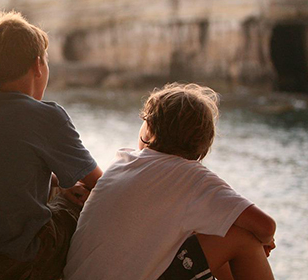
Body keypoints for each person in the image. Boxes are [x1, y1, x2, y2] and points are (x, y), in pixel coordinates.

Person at [0, 11, 103, 279]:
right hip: (12, 265)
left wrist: (59, 183)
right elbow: (101, 183)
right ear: (38, 65)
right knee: (75, 207)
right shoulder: (47, 116)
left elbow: (3, 168)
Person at [64, 83, 276, 280]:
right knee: (243, 238)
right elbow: (266, 226)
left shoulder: (123, 161)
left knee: (207, 229)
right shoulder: (193, 179)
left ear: (149, 128)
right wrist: (263, 242)